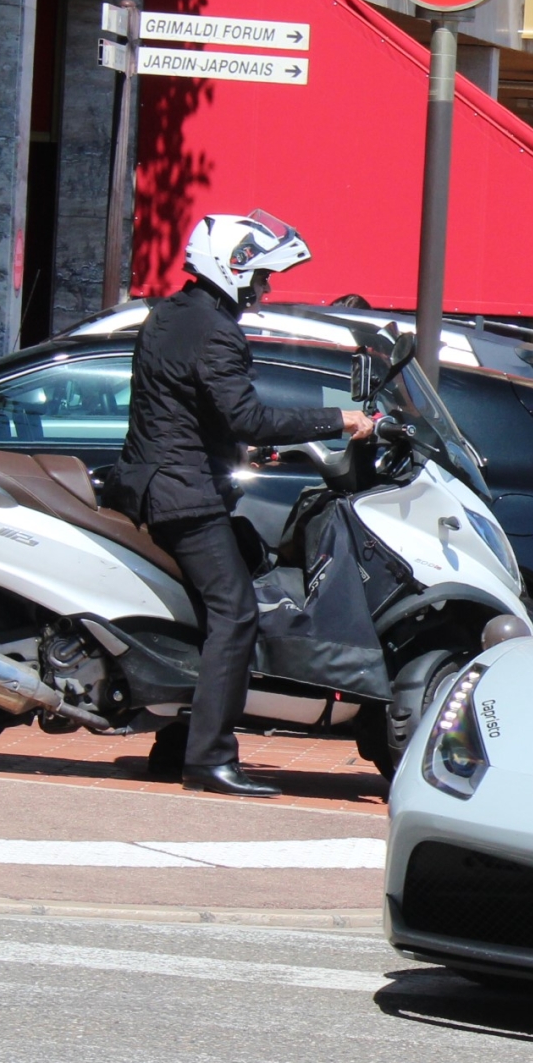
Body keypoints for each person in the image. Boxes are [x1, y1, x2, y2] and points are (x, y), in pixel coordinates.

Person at [113, 211, 373, 796]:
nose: (264, 290)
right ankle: (208, 759)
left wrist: (248, 451)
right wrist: (339, 418)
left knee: (213, 610)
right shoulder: (215, 329)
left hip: (164, 481)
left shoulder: (171, 313)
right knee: (235, 615)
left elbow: (188, 409)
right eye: (259, 277)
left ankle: (177, 743)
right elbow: (246, 415)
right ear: (230, 269)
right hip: (185, 494)